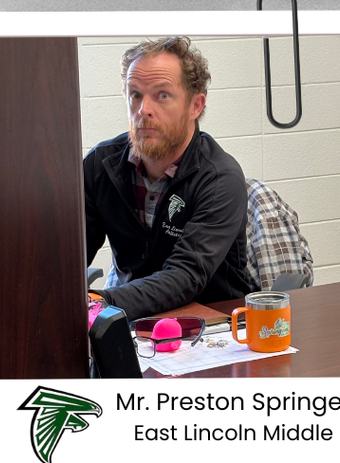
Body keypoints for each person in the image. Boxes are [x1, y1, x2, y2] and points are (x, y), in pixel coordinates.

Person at [84, 37, 253, 320]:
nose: (143, 110)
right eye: (135, 94)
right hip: (139, 323)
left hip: (213, 328)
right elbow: (68, 257)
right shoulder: (101, 166)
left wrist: (100, 302)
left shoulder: (220, 177)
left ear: (195, 106)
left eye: (162, 95)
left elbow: (185, 276)